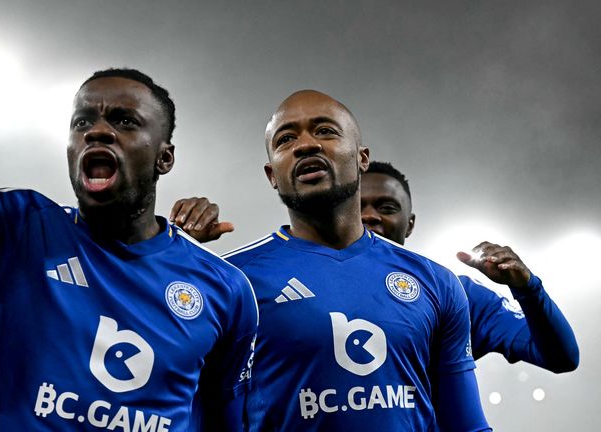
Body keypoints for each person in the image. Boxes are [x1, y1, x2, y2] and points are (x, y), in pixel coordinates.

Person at [0, 6, 257, 431]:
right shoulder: (18, 226)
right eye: (83, 120)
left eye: (124, 121)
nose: (97, 131)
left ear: (165, 157)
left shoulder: (223, 289)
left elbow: (223, 418)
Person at [174, 90, 491, 430]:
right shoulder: (230, 283)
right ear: (271, 175)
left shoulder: (436, 283)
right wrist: (170, 264)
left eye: (325, 131)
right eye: (286, 139)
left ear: (361, 157)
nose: (306, 144)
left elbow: (467, 425)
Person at [360, 161, 579, 372]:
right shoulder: (324, 285)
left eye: (387, 207)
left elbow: (562, 358)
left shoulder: (455, 294)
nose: (368, 215)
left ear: (410, 224)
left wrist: (529, 290)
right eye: (355, 207)